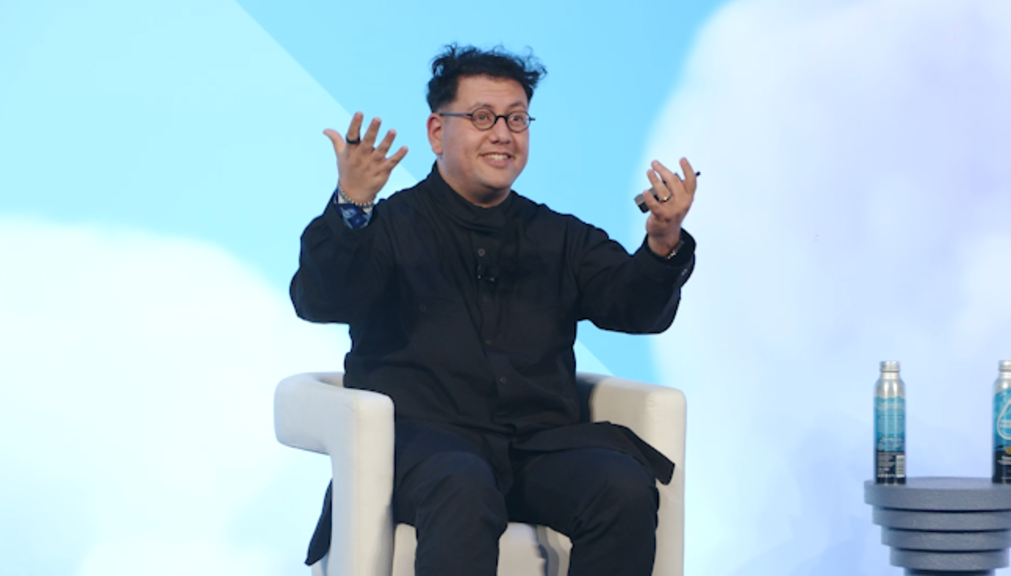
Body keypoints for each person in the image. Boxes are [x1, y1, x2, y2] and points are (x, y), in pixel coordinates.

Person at [290, 44, 698, 576]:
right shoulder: (386, 226)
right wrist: (352, 205)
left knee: (620, 487)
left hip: (537, 448)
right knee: (464, 484)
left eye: (516, 119)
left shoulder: (560, 236)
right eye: (483, 117)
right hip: (422, 446)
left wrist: (663, 243)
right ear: (437, 132)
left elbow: (637, 309)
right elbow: (321, 299)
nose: (503, 134)